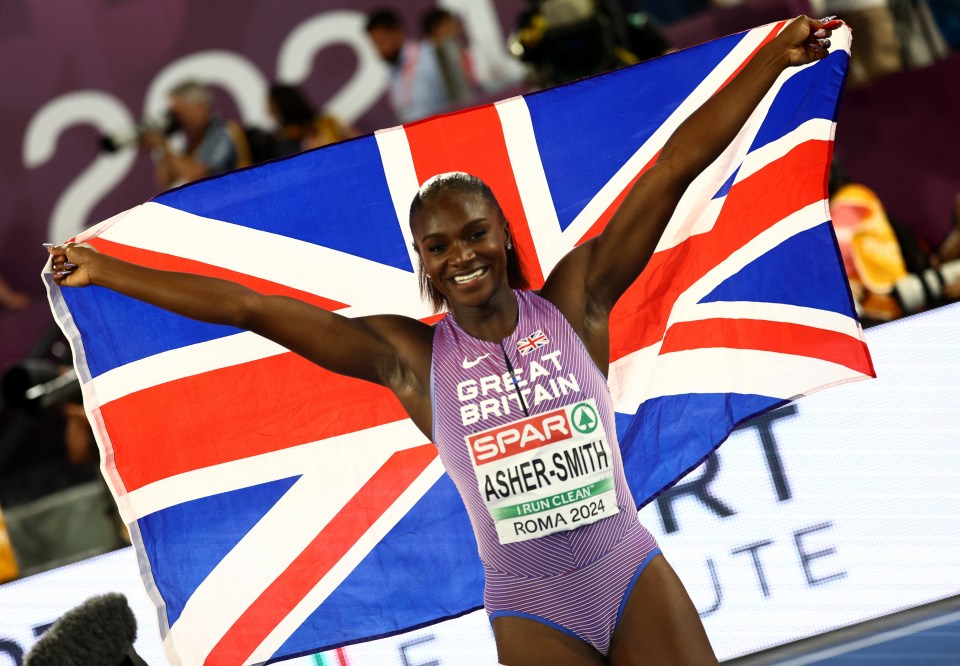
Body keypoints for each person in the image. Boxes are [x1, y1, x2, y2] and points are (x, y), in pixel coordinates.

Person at [49, 17, 834, 665]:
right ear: (421, 261)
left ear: (502, 235)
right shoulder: (409, 359)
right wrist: (111, 270)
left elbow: (673, 170)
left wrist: (769, 62)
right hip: (533, 608)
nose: (460, 254)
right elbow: (251, 305)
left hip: (626, 570)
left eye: (475, 233)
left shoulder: (576, 300)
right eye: (437, 245)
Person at [365, 7, 479, 123]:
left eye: (381, 41)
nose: (379, 49)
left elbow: (463, 100)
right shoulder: (392, 74)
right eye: (374, 44)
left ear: (398, 32)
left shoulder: (431, 55)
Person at [141, 80, 250, 190]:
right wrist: (161, 144)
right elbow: (166, 180)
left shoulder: (223, 132)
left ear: (199, 107)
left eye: (181, 113)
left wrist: (164, 145)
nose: (178, 119)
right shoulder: (196, 137)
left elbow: (195, 176)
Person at [267, 83, 359, 158]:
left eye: (271, 104)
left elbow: (359, 141)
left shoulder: (328, 123)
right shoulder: (282, 138)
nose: (268, 110)